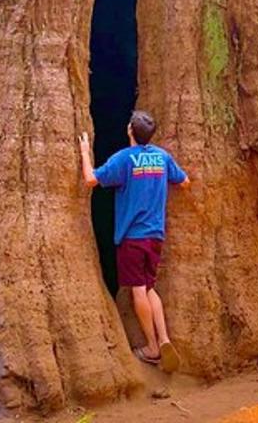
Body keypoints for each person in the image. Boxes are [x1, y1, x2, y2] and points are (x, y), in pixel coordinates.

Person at [80, 110, 190, 372]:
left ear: (130, 130)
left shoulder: (124, 159)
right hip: (155, 236)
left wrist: (85, 152)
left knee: (138, 290)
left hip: (132, 237)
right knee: (150, 287)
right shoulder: (162, 157)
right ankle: (164, 339)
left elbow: (90, 180)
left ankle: (152, 348)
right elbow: (185, 182)